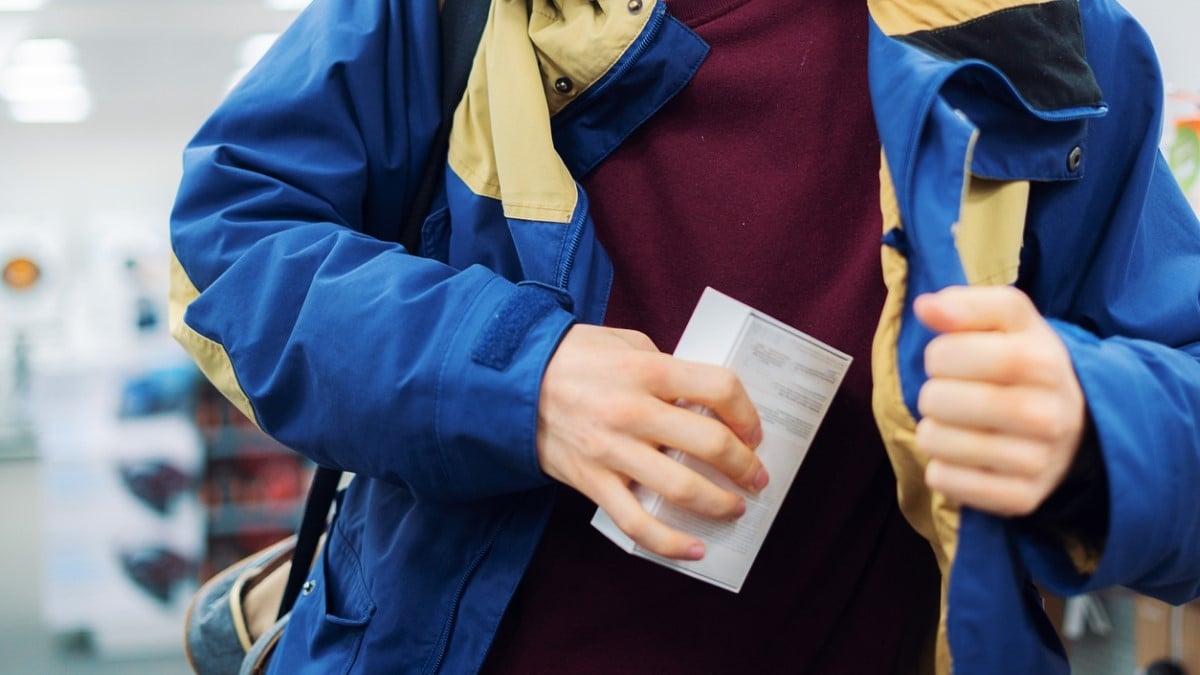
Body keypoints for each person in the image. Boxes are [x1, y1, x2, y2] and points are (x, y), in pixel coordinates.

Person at [168, 0, 1200, 672]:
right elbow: (230, 244)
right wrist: (520, 377)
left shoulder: (1043, 39)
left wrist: (1092, 424)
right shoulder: (459, 17)